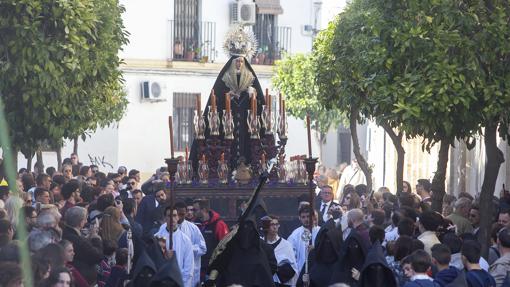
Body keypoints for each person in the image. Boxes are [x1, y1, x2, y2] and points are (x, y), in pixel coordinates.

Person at [190, 25, 265, 172]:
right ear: (231, 63)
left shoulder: (252, 84)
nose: (239, 64)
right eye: (236, 61)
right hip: (224, 137)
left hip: (247, 133)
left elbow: (262, 110)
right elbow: (213, 107)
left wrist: (253, 96)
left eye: (242, 62)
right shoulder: (223, 84)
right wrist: (226, 97)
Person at [158, 201, 206, 287]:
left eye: (182, 214)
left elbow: (203, 248)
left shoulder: (192, 229)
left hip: (186, 274)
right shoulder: (161, 231)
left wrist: (189, 248)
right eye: (170, 216)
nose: (179, 217)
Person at [154, 205, 194, 287]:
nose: (172, 218)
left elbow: (188, 267)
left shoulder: (185, 240)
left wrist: (181, 283)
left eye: (175, 215)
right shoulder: (157, 238)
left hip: (179, 282)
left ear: (178, 217)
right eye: (169, 216)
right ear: (165, 218)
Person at [61, 206, 103, 285]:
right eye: (85, 219)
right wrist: (95, 238)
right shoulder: (76, 239)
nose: (86, 221)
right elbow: (98, 256)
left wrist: (88, 237)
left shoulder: (65, 232)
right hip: (84, 278)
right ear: (80, 222)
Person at [261, 215, 298, 286]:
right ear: (266, 226)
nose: (275, 227)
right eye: (272, 224)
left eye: (276, 224)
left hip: (282, 283)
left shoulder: (286, 245)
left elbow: (293, 267)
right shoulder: (260, 243)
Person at [196, 199, 229, 278]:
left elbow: (225, 246)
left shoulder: (219, 224)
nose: (193, 212)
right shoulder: (194, 224)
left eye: (195, 210)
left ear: (203, 210)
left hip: (212, 268)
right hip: (197, 267)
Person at [287, 205, 320, 273]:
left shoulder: (320, 231)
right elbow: (291, 256)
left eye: (308, 216)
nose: (306, 219)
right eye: (303, 217)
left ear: (313, 217)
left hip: (317, 271)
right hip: (300, 272)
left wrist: (315, 249)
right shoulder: (295, 235)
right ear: (299, 218)